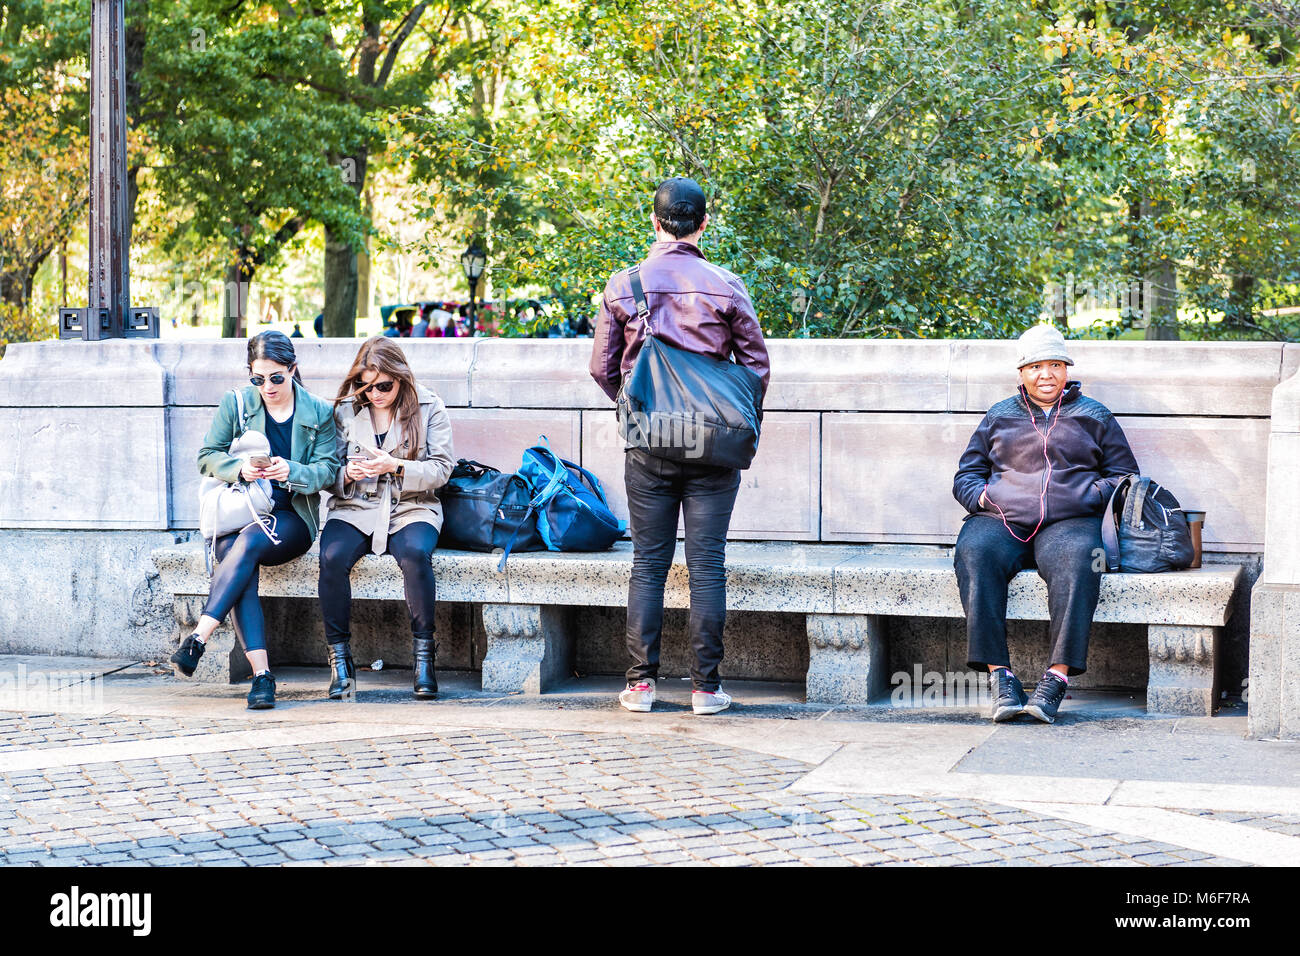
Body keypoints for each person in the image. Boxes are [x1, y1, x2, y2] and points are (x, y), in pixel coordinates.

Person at [589, 176, 770, 717]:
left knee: (648, 562)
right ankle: (706, 690)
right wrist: (733, 418)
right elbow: (756, 366)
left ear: (655, 219)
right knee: (707, 564)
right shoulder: (726, 284)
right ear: (704, 222)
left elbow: (601, 367)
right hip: (714, 444)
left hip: (649, 443)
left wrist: (634, 405)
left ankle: (641, 686)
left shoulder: (625, 286)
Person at [952, 324, 1138, 724]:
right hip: (1002, 520)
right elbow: (966, 475)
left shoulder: (1094, 414)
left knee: (1083, 560)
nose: (1046, 374)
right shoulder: (999, 415)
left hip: (1069, 522)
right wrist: (986, 498)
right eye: (1036, 366)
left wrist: (1088, 495)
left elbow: (1125, 474)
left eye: (1055, 364)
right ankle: (1000, 677)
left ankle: (1056, 678)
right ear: (1021, 373)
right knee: (974, 551)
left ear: (1067, 370)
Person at [173, 331, 340, 709]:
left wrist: (292, 471)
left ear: (293, 370)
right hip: (240, 510)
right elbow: (206, 457)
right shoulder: (236, 404)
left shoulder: (319, 412)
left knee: (244, 545)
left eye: (277, 377)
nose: (268, 387)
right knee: (235, 551)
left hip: (292, 517)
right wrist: (240, 468)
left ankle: (199, 636)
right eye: (258, 379)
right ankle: (262, 676)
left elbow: (329, 471)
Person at [318, 336, 456, 700]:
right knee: (330, 557)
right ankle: (340, 662)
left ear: (401, 377)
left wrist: (396, 466)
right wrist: (347, 473)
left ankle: (424, 658)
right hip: (356, 506)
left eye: (384, 385)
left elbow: (441, 470)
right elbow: (326, 469)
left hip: (412, 505)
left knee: (414, 554)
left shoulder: (429, 406)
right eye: (366, 385)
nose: (375, 393)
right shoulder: (345, 411)